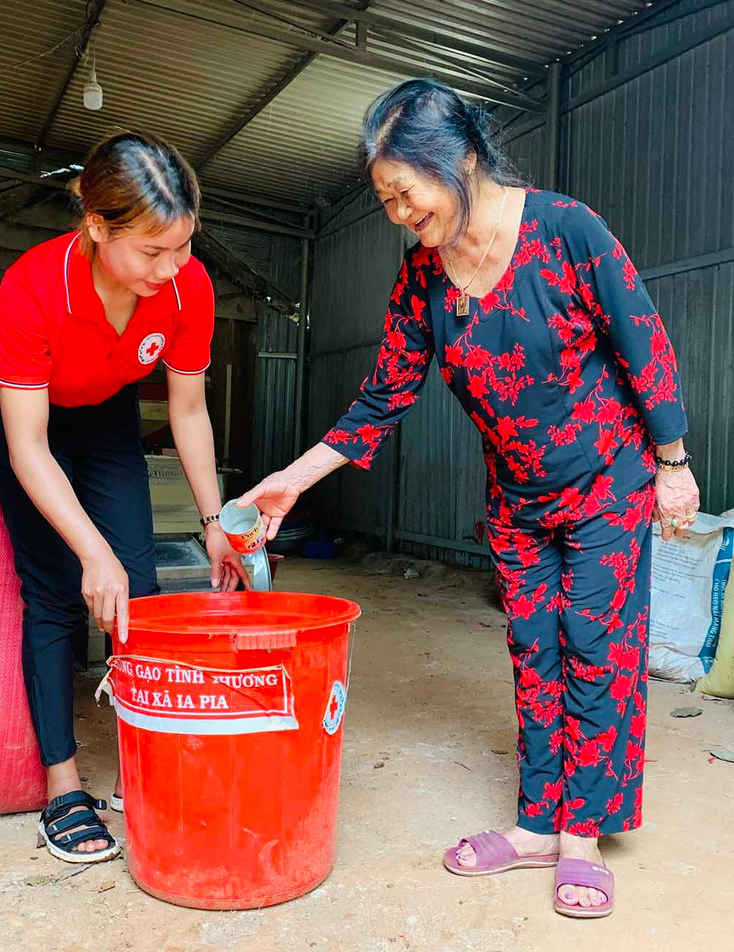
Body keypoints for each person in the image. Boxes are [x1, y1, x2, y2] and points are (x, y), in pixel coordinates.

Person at [239, 79, 700, 918]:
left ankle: (582, 837)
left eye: (403, 194)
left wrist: (673, 461)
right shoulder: (422, 277)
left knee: (595, 646)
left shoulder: (566, 229)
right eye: (385, 201)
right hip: (518, 499)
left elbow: (645, 341)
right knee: (534, 652)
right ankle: (535, 824)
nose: (397, 216)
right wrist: (292, 480)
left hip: (608, 482)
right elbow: (385, 393)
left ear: (457, 160)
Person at [0, 132, 247, 864]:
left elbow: (188, 411)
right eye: (152, 252)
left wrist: (216, 523)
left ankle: (146, 755)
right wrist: (89, 552)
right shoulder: (36, 286)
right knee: (60, 590)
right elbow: (29, 444)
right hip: (27, 415)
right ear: (97, 227)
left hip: (104, 413)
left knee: (145, 585)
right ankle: (62, 786)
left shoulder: (187, 287)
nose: (173, 268)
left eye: (183, 247)